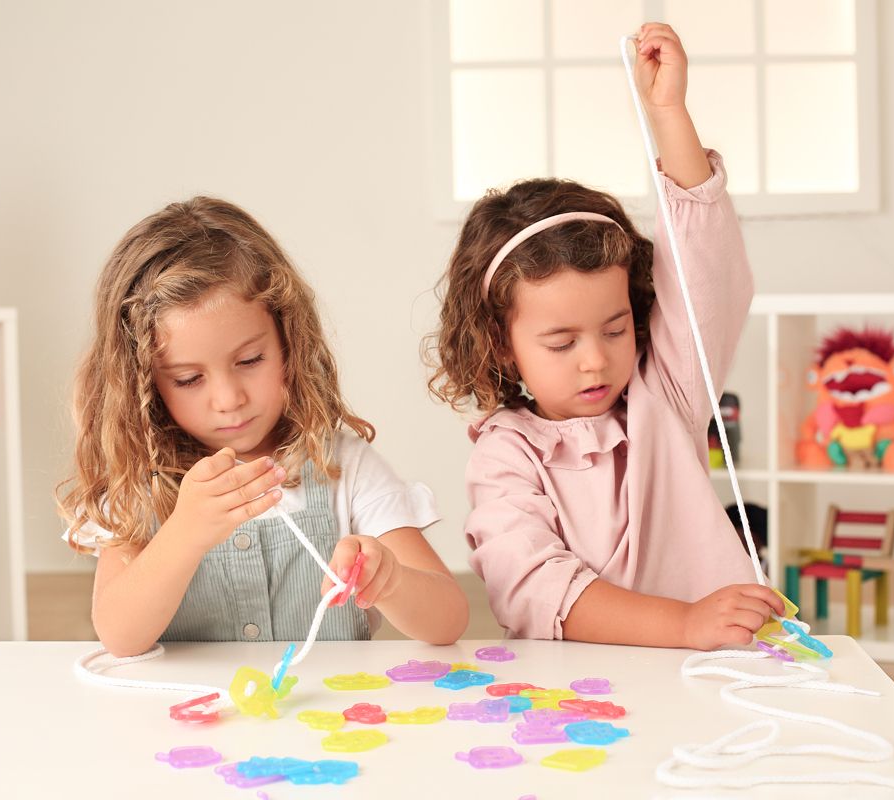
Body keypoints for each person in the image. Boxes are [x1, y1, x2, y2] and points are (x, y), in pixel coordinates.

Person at [425, 24, 782, 648]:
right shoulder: (507, 455)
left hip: (714, 675)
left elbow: (705, 271)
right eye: (561, 343)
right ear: (501, 344)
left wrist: (668, 114)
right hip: (578, 692)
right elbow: (532, 587)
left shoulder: (664, 394)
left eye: (615, 329)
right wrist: (682, 623)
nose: (595, 360)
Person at [59, 197, 468, 657]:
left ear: (289, 341)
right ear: (145, 383)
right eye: (189, 379)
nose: (229, 399)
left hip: (324, 703)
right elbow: (119, 636)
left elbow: (448, 620)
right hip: (193, 705)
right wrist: (185, 532)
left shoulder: (343, 469)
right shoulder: (139, 483)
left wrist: (391, 580)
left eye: (250, 360)